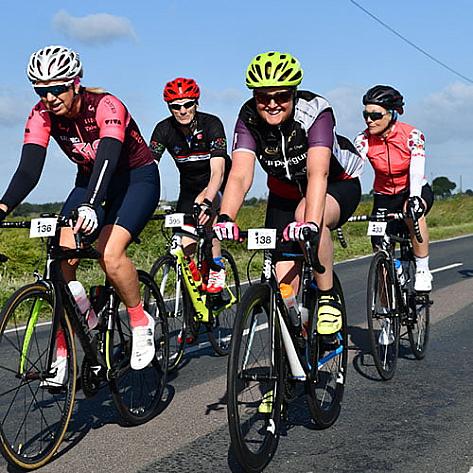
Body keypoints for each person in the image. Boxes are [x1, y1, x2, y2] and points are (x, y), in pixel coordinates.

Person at [0, 45, 161, 384]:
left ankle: (139, 320)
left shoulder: (106, 105)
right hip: (89, 181)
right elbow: (28, 170)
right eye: (41, 90)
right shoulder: (41, 114)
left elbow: (108, 158)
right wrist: (2, 207)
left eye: (57, 88)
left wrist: (92, 204)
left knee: (109, 253)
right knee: (61, 259)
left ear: (75, 83)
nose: (49, 97)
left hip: (135, 179)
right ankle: (68, 341)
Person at [213, 51, 364, 335]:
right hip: (284, 192)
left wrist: (310, 223)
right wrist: (226, 217)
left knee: (306, 216)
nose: (272, 104)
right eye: (263, 97)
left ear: (294, 93)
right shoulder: (248, 117)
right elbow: (240, 175)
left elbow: (317, 173)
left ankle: (327, 297)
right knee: (285, 289)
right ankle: (298, 341)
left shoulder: (315, 111)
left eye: (281, 96)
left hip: (336, 184)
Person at [149, 77, 230, 294]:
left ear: (196, 103)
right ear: (169, 107)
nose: (183, 110)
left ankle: (216, 265)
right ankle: (193, 297)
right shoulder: (163, 129)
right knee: (185, 245)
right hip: (188, 187)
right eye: (176, 107)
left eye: (188, 104)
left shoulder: (211, 124)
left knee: (204, 209)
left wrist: (208, 202)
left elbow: (218, 171)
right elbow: (148, 168)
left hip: (218, 180)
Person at [354, 85, 434, 291]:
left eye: (375, 115)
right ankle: (386, 306)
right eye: (365, 115)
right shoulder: (363, 139)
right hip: (384, 195)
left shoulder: (412, 135)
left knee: (413, 213)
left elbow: (416, 170)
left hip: (413, 189)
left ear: (392, 114)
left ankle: (422, 269)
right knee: (379, 247)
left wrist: (414, 197)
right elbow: (353, 171)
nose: (369, 120)